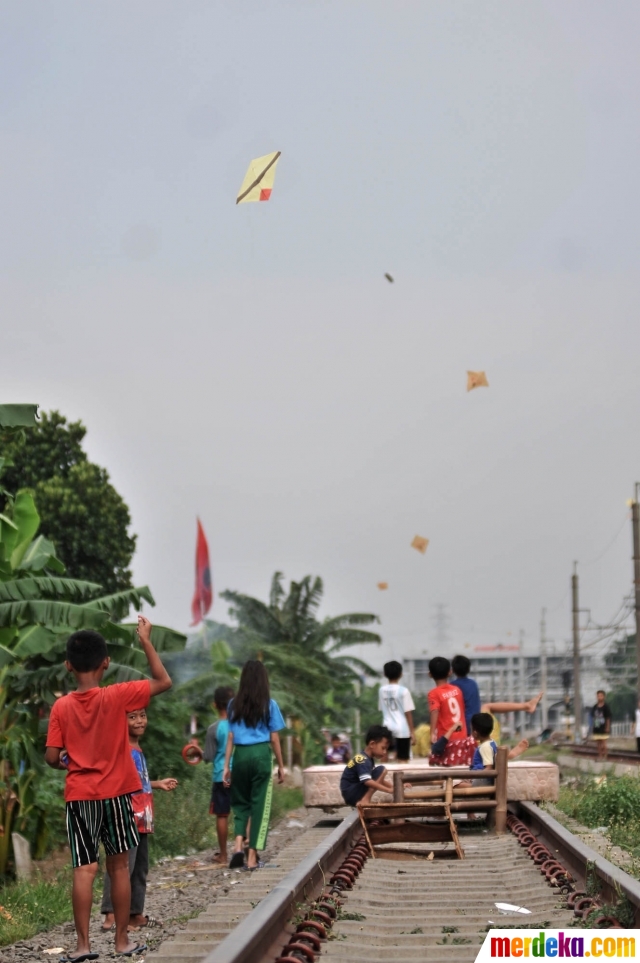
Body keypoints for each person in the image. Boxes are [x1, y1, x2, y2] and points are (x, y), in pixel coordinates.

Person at [44, 616, 172, 962]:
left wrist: (66, 764)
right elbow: (163, 681)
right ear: (106, 663)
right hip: (117, 795)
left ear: (68, 665)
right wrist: (145, 639)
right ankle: (121, 941)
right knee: (118, 868)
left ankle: (83, 947)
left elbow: (52, 756)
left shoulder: (61, 706)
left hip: (79, 797)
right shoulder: (119, 695)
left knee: (84, 869)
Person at [101, 707, 178, 931]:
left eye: (142, 715)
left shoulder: (137, 748)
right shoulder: (120, 748)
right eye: (132, 717)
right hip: (126, 814)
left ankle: (135, 913)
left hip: (143, 815)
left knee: (140, 866)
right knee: (121, 865)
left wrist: (157, 784)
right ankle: (111, 915)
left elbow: (138, 781)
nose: (139, 721)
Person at [223, 661, 286, 871]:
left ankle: (238, 845)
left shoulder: (233, 705)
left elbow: (231, 735)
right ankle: (251, 859)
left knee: (240, 803)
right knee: (260, 805)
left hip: (240, 755)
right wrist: (281, 765)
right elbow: (275, 738)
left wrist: (226, 766)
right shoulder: (269, 704)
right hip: (260, 754)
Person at [200, 686, 235, 865]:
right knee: (244, 811)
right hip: (241, 772)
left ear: (215, 705)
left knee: (222, 815)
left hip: (221, 776)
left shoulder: (213, 729)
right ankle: (245, 851)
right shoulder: (240, 725)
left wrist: (200, 752)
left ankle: (223, 855)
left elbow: (209, 756)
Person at [427, 656, 477, 766]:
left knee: (443, 768)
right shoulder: (457, 690)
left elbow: (434, 711)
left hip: (446, 739)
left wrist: (432, 733)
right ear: (449, 672)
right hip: (462, 738)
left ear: (429, 674)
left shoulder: (434, 693)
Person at [339, 725, 394, 808]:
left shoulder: (367, 758)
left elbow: (377, 779)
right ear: (372, 744)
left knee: (379, 772)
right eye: (383, 748)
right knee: (382, 769)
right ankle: (365, 800)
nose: (385, 752)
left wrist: (394, 787)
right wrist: (388, 790)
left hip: (351, 792)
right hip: (351, 792)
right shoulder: (363, 760)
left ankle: (364, 799)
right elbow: (367, 781)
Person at [378, 660, 416, 762]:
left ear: (385, 674)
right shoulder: (404, 691)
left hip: (386, 728)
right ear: (401, 674)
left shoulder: (381, 690)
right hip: (402, 729)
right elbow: (408, 713)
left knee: (384, 756)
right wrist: (412, 732)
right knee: (403, 760)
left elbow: (382, 708)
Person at [451, 655, 481, 735]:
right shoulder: (473, 684)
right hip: (475, 725)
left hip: (459, 727)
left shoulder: (452, 687)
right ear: (468, 669)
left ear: (453, 670)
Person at [591, 690, 612, 761]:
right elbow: (593, 717)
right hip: (596, 727)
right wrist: (593, 727)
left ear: (604, 697)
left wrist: (607, 727)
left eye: (601, 696)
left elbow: (608, 718)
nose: (599, 697)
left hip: (603, 727)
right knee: (598, 743)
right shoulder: (594, 707)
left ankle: (605, 756)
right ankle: (600, 756)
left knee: (603, 742)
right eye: (598, 696)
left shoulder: (606, 707)